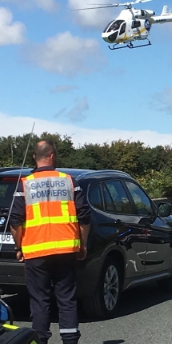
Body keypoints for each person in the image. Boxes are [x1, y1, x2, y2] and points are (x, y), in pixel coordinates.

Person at [9, 140, 91, 344]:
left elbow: (15, 221)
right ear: (52, 156)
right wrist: (83, 244)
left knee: (39, 301)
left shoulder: (24, 183)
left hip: (36, 252)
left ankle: (40, 340)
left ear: (34, 158)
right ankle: (70, 340)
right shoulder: (69, 181)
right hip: (65, 250)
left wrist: (19, 247)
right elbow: (85, 216)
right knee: (66, 299)